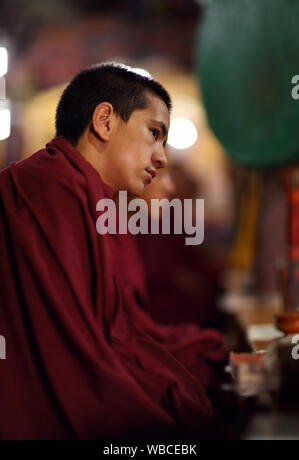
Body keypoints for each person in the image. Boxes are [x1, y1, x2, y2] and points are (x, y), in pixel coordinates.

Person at [0, 63, 230, 440]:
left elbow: (110, 328)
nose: (161, 158)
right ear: (105, 121)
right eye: (153, 134)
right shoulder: (51, 190)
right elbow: (77, 354)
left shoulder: (87, 195)